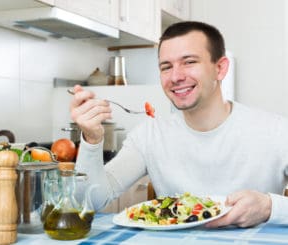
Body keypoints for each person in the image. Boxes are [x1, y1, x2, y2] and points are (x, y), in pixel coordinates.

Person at [70, 21, 288, 227]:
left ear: (220, 68)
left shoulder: (276, 131)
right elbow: (88, 202)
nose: (175, 76)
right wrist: (92, 139)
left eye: (189, 62)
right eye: (166, 67)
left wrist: (270, 207)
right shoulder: (150, 135)